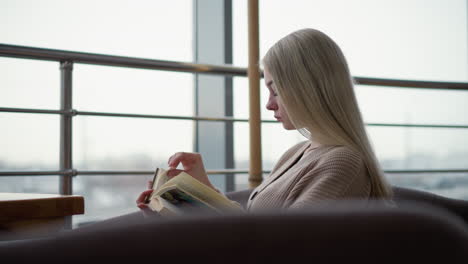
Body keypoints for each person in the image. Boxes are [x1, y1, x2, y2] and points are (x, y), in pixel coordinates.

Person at [137, 28, 393, 214]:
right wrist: (199, 191)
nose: (268, 104)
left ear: (306, 89)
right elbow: (258, 229)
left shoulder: (341, 163)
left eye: (275, 90)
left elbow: (277, 247)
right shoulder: (299, 152)